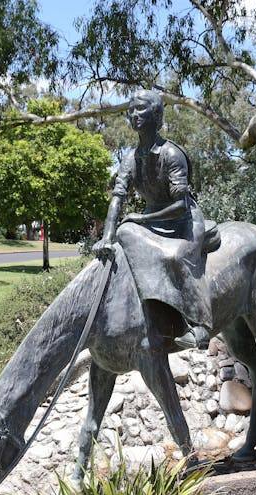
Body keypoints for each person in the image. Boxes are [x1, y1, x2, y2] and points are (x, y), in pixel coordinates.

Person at [92, 90, 212, 349]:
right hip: (152, 219)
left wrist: (142, 219)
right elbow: (118, 197)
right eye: (131, 110)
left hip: (183, 220)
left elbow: (180, 205)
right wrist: (106, 237)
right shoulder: (129, 158)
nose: (134, 115)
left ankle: (199, 325)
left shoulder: (171, 154)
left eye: (141, 109)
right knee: (124, 242)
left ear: (156, 114)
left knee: (176, 257)